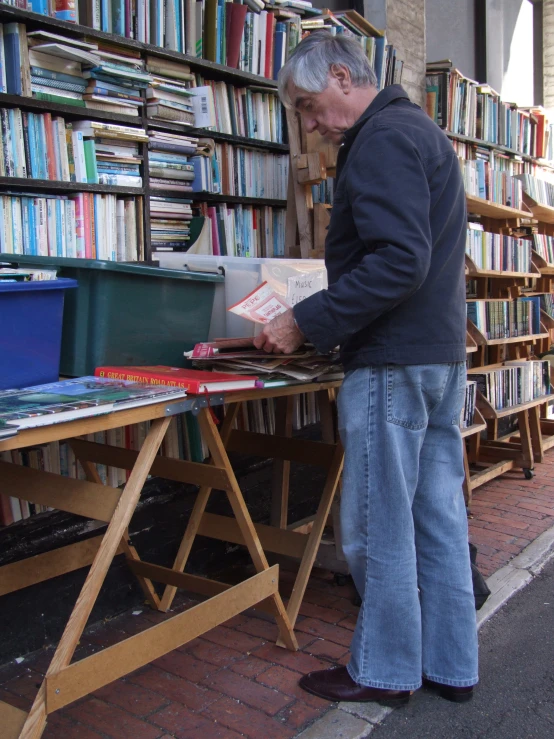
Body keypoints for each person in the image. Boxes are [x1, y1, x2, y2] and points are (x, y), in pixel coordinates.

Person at [253, 31, 478, 706]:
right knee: (438, 516)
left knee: (380, 522)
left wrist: (304, 320)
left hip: (392, 360)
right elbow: (417, 257)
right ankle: (451, 663)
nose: (311, 123)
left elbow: (397, 261)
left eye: (310, 104)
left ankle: (385, 669)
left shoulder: (379, 141)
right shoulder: (421, 133)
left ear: (345, 76)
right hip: (437, 356)